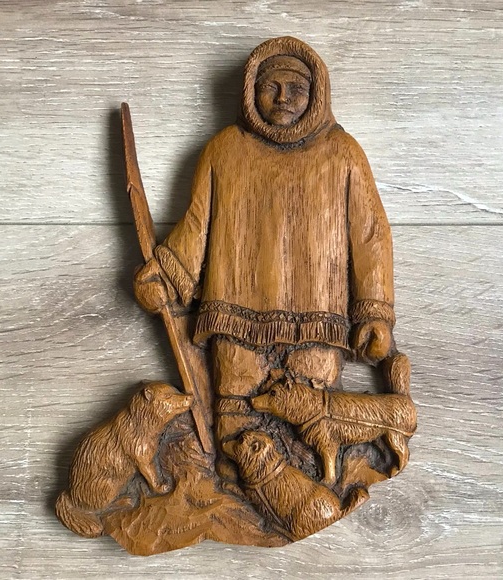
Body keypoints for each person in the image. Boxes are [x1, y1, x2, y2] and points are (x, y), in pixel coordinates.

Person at [133, 36, 395, 483]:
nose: (282, 98)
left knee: (312, 412)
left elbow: (370, 236)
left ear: (317, 94)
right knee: (235, 411)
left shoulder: (343, 153)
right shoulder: (224, 150)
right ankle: (241, 482)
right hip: (237, 308)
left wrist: (374, 313)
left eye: (296, 89)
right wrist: (167, 276)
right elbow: (196, 225)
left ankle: (305, 485)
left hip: (317, 313)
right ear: (250, 91)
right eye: (270, 87)